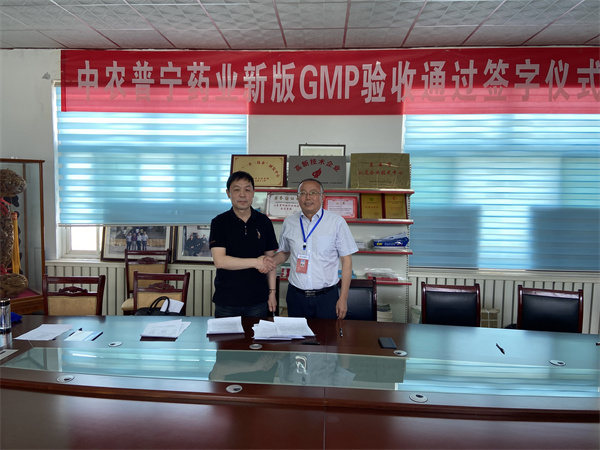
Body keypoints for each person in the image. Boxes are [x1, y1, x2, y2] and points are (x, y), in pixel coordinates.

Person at [268, 178, 358, 319]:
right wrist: (270, 261)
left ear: (322, 197)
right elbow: (284, 252)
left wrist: (343, 298)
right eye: (303, 193)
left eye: (313, 193)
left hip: (326, 297)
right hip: (296, 296)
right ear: (298, 197)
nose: (308, 197)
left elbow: (347, 261)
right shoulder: (289, 222)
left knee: (327, 333)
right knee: (296, 333)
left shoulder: (336, 222)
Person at [209, 171, 278, 318]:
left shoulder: (264, 222)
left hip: (258, 300)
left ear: (253, 193)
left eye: (247, 190)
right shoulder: (219, 222)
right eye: (236, 190)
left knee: (257, 334)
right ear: (228, 193)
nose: (242, 194)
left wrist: (272, 292)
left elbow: (270, 262)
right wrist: (256, 262)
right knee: (226, 334)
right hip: (227, 300)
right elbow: (220, 261)